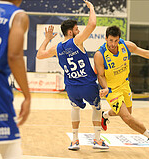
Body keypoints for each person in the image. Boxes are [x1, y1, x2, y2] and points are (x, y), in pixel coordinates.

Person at [94, 25, 149, 155]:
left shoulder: (126, 46)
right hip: (112, 90)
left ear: (119, 39)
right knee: (127, 117)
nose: (113, 44)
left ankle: (105, 115)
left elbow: (145, 53)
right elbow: (100, 75)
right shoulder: (100, 55)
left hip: (124, 84)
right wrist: (106, 88)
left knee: (127, 113)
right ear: (106, 38)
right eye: (111, 40)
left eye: (116, 41)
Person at [36, 0, 108, 150]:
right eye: (76, 29)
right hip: (87, 85)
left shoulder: (57, 48)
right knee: (96, 108)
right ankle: (97, 140)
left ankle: (75, 140)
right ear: (70, 32)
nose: (79, 31)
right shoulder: (76, 41)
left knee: (75, 108)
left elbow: (40, 55)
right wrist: (92, 8)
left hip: (71, 87)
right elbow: (92, 24)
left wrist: (47, 39)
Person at [0, 0, 31, 158]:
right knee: (11, 149)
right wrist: (27, 95)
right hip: (0, 90)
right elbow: (14, 55)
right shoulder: (17, 15)